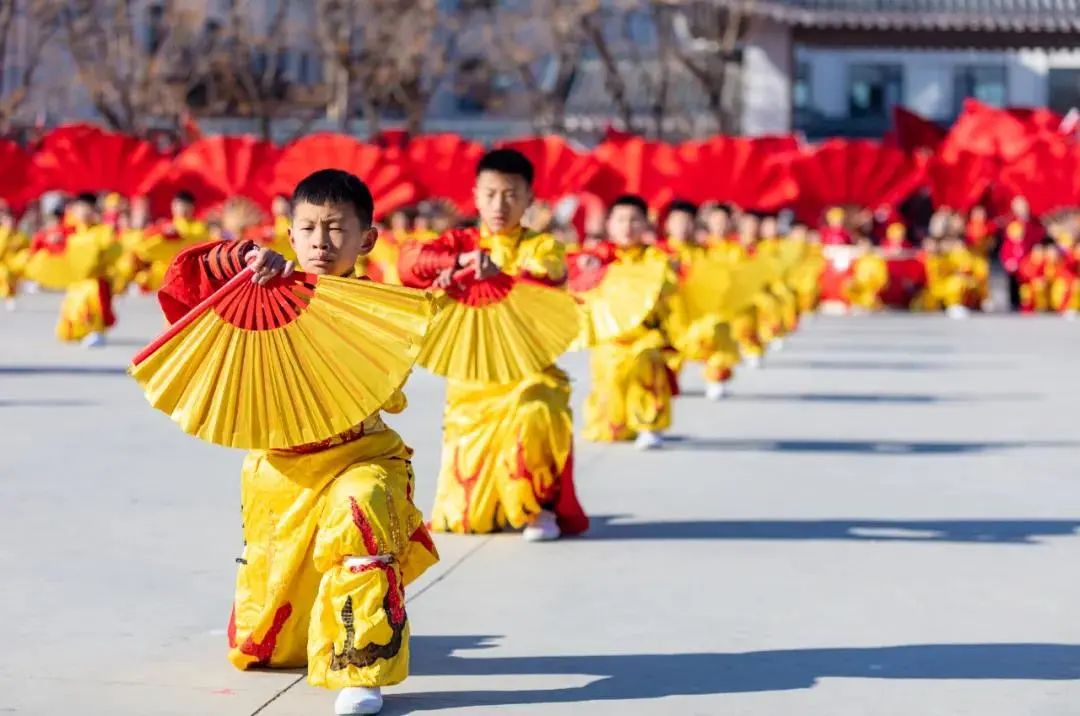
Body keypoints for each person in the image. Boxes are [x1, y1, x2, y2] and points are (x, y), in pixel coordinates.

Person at [156, 170, 439, 716]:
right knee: (268, 649)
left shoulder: (377, 308)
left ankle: (361, 667)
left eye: (336, 228)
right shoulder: (260, 294)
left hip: (361, 456)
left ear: (367, 239)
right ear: (289, 232)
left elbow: (390, 379)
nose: (320, 242)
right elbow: (180, 289)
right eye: (307, 228)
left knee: (364, 509)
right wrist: (240, 259)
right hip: (281, 473)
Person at [397, 148, 588, 542]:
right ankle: (501, 503)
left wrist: (504, 275)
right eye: (490, 194)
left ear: (529, 200)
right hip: (474, 383)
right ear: (476, 194)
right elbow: (408, 262)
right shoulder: (460, 241)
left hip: (527, 373)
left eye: (511, 194)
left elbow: (549, 277)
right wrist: (453, 264)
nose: (499, 204)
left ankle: (538, 507)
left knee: (538, 410)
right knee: (466, 521)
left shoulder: (541, 247)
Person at [581, 194, 677, 450]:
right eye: (621, 219)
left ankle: (650, 423)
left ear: (646, 224)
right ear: (609, 223)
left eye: (634, 220)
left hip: (644, 338)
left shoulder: (656, 259)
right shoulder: (597, 258)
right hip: (609, 342)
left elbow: (668, 288)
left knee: (646, 362)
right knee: (609, 428)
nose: (627, 226)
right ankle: (618, 422)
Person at [660, 200, 739, 401]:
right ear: (667, 224)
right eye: (677, 221)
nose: (682, 227)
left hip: (698, 316)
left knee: (718, 329)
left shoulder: (706, 252)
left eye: (687, 222)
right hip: (669, 318)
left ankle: (715, 378)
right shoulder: (657, 253)